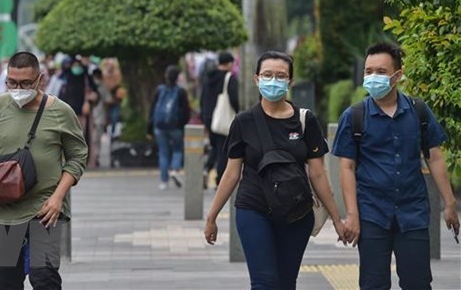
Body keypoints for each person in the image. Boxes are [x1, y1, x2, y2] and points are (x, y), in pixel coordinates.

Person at [204, 51, 345, 290]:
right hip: (253, 209)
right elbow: (231, 173)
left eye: (280, 76)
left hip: (296, 212)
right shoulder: (243, 121)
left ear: (290, 82)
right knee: (264, 283)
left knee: (286, 283)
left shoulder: (305, 121)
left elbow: (318, 173)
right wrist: (211, 217)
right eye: (267, 75)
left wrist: (336, 218)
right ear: (256, 79)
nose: (273, 81)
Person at [332, 42, 459, 290]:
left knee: (417, 283)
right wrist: (352, 215)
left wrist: (450, 204)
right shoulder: (354, 116)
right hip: (371, 214)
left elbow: (435, 157)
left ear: (397, 75)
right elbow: (346, 167)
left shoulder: (419, 111)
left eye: (380, 71)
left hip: (413, 214)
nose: (372, 77)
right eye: (368, 71)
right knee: (373, 284)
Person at [0, 51, 88, 290]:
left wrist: (58, 197)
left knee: (44, 278)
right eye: (12, 82)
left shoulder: (61, 111)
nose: (18, 88)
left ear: (40, 79)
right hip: (2, 210)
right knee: (6, 282)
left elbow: (77, 157)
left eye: (25, 83)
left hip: (45, 209)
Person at [147, 65, 191, 190]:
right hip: (175, 127)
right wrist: (182, 124)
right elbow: (186, 111)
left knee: (163, 153)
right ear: (177, 77)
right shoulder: (181, 91)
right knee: (177, 150)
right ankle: (175, 170)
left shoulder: (159, 90)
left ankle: (164, 181)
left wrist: (149, 127)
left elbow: (152, 109)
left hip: (160, 126)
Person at [200, 51, 239, 187]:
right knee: (224, 151)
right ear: (228, 64)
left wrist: (205, 118)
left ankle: (206, 168)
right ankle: (219, 180)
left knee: (215, 147)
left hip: (210, 119)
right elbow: (234, 99)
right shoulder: (229, 78)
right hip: (223, 119)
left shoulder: (208, 78)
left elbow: (202, 99)